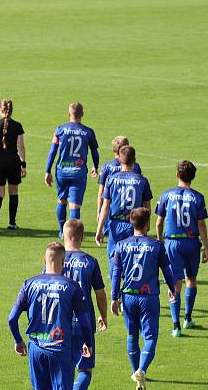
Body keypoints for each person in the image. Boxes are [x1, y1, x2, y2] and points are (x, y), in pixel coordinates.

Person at [8, 242, 93, 390]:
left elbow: (11, 319)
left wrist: (18, 340)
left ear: (44, 260)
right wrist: (87, 343)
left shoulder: (30, 283)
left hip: (36, 348)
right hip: (60, 350)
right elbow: (85, 322)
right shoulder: (71, 286)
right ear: (63, 263)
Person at [110, 208, 175, 390]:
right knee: (150, 337)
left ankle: (136, 373)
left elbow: (116, 274)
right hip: (149, 297)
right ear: (147, 224)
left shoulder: (121, 245)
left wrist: (114, 297)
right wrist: (172, 289)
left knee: (132, 335)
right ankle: (142, 370)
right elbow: (167, 271)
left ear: (132, 223)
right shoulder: (157, 245)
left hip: (128, 296)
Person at [61, 219, 108, 390]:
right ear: (82, 238)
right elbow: (100, 294)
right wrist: (103, 316)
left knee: (66, 367)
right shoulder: (90, 261)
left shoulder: (53, 260)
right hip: (83, 323)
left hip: (59, 323)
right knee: (85, 370)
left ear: (64, 235)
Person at [155, 160, 208, 337]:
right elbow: (201, 224)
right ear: (193, 177)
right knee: (191, 279)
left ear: (177, 175)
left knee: (174, 283)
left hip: (172, 243)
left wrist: (159, 241)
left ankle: (175, 325)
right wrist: (206, 248)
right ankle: (188, 317)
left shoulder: (166, 195)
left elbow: (158, 223)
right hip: (192, 242)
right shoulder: (198, 197)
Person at [44, 102, 100, 236]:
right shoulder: (88, 132)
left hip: (62, 172)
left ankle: (62, 232)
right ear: (82, 114)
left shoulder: (60, 130)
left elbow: (52, 152)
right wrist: (95, 166)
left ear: (68, 114)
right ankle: (73, 235)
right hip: (78, 173)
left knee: (61, 200)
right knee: (74, 205)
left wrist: (47, 170)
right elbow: (95, 152)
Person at [95, 145, 153, 273]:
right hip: (135, 224)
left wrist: (99, 229)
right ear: (135, 160)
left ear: (119, 160)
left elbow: (106, 206)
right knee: (132, 257)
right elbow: (147, 206)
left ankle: (114, 290)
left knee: (114, 258)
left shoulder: (111, 179)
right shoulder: (142, 180)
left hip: (115, 224)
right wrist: (147, 224)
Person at [0, 99, 26, 234]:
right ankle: (12, 222)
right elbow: (20, 146)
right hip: (13, 162)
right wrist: (23, 163)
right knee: (13, 192)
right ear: (11, 110)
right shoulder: (17, 126)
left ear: (0, 110)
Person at [96, 136, 142, 226]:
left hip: (113, 210)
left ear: (114, 150)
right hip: (132, 213)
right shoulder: (136, 166)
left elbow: (101, 191)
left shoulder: (106, 166)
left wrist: (99, 210)